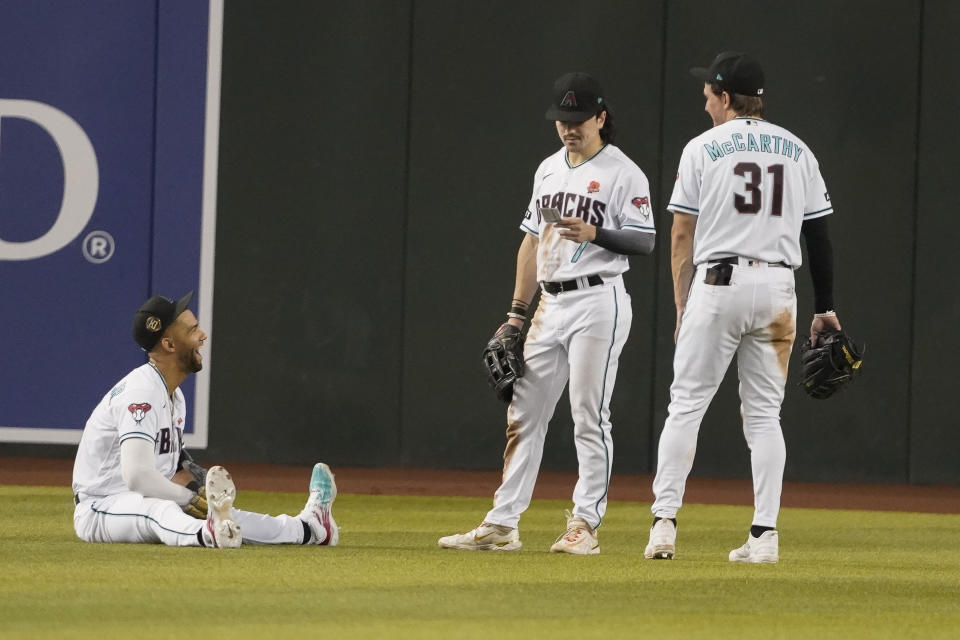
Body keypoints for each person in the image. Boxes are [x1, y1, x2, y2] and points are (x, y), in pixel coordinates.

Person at [439, 72, 656, 555]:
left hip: (600, 301)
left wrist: (597, 233)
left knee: (588, 414)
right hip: (549, 303)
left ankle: (584, 525)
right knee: (524, 412)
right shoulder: (547, 170)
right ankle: (502, 524)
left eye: (578, 120)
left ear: (601, 118)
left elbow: (645, 240)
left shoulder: (625, 173)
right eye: (562, 120)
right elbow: (532, 242)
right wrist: (516, 314)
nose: (568, 128)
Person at [644, 52, 842, 564]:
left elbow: (682, 231)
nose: (704, 99)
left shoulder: (703, 147)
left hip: (720, 283)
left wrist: (682, 303)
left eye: (708, 92)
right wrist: (827, 307)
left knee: (686, 404)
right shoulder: (798, 150)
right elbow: (818, 236)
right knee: (764, 417)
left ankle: (664, 525)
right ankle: (765, 535)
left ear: (725, 96)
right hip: (780, 289)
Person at [72, 291, 339, 549]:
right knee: (162, 509)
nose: (203, 335)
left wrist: (199, 495)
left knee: (219, 512)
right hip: (101, 506)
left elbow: (172, 468)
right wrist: (187, 497)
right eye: (192, 330)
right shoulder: (141, 393)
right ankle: (206, 535)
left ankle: (310, 528)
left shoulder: (174, 397)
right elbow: (137, 476)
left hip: (142, 501)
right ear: (169, 344)